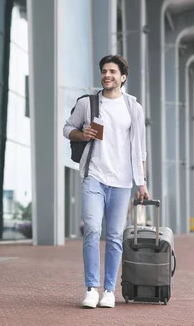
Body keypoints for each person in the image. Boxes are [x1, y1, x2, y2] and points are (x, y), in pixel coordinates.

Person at [63, 54, 150, 309]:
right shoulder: (88, 104)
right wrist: (82, 133)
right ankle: (92, 288)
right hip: (94, 176)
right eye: (104, 71)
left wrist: (141, 183)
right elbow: (68, 128)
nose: (107, 75)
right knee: (91, 228)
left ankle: (109, 291)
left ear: (123, 77)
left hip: (122, 182)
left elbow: (140, 149)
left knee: (114, 236)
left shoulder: (133, 107)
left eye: (112, 71)